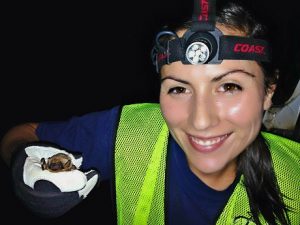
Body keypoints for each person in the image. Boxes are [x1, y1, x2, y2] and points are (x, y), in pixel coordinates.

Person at [1, 0, 299, 224]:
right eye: (179, 89)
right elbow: (21, 134)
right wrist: (22, 162)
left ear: (268, 92)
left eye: (230, 86)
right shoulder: (130, 130)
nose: (201, 120)